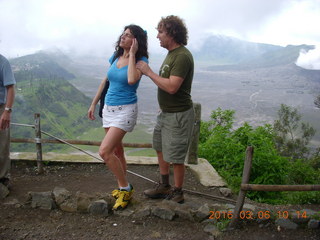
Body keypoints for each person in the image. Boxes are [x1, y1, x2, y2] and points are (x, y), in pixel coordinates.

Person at [88, 25, 148, 210]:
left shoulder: (140, 61)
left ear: (136, 41)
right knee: (117, 152)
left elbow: (131, 80)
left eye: (129, 35)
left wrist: (132, 54)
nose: (123, 36)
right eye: (123, 33)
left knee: (104, 152)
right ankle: (122, 185)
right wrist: (94, 103)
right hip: (108, 109)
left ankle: (125, 188)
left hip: (125, 110)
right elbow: (106, 80)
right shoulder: (115, 57)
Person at [136, 15, 194, 203]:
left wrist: (149, 72)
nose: (158, 36)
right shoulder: (171, 55)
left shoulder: (182, 56)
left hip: (178, 115)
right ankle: (164, 185)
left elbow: (171, 87)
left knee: (176, 155)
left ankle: (178, 192)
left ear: (172, 33)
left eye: (161, 32)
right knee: (160, 148)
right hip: (167, 113)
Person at [0, 54, 16, 193]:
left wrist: (7, 111)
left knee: (2, 145)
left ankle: (3, 179)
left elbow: (11, 87)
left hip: (0, 108)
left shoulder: (3, 61)